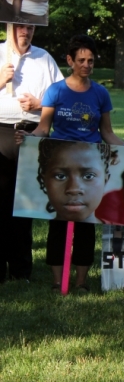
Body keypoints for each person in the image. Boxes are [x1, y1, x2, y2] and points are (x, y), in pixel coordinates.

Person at [16, 35, 124, 293]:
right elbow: (43, 128)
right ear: (70, 61)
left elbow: (108, 133)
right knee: (57, 225)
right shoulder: (56, 90)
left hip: (90, 164)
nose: (86, 65)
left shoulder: (100, 92)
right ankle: (57, 282)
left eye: (90, 60)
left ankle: (80, 282)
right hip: (59, 163)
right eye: (81, 60)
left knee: (86, 226)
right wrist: (28, 137)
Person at [0, 23, 61, 283]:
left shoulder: (44, 58)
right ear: (9, 26)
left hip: (32, 133)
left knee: (23, 207)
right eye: (21, 26)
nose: (26, 31)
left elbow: (61, 97)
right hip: (1, 132)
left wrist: (39, 104)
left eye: (31, 26)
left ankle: (21, 270)